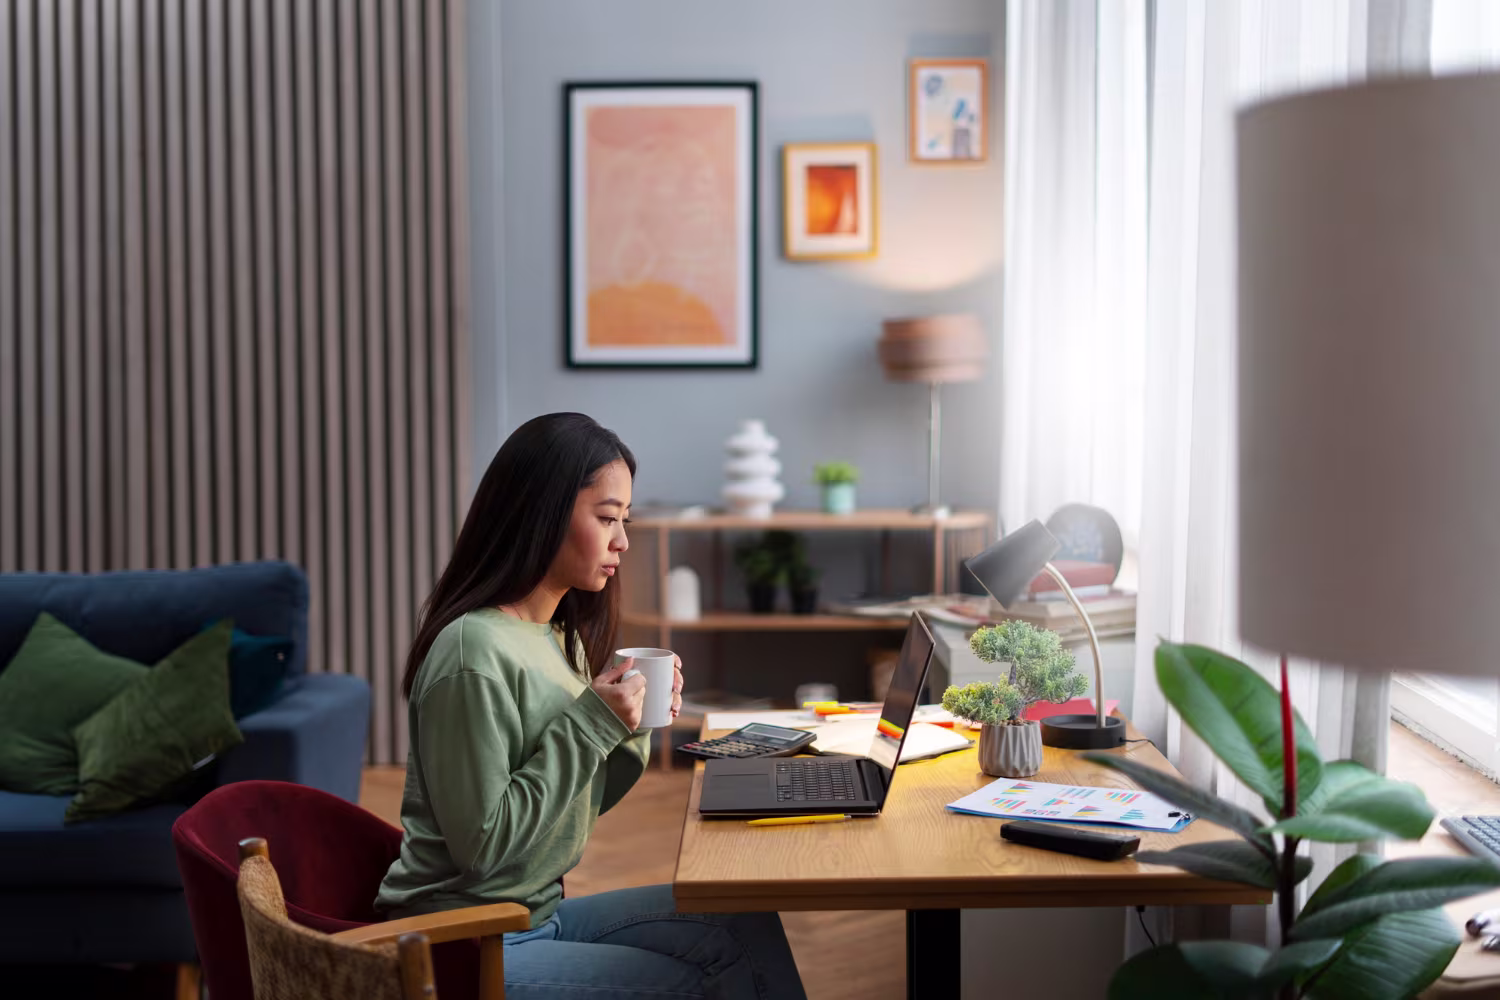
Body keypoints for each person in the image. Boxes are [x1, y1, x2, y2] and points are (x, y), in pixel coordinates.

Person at [376, 412, 807, 1000]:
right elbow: (483, 848)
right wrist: (592, 723)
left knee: (742, 918)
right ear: (542, 511)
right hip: (463, 943)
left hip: (534, 917)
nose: (622, 541)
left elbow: (572, 806)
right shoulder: (470, 652)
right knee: (683, 986)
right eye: (607, 518)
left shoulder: (559, 635)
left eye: (624, 520)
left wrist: (629, 725)